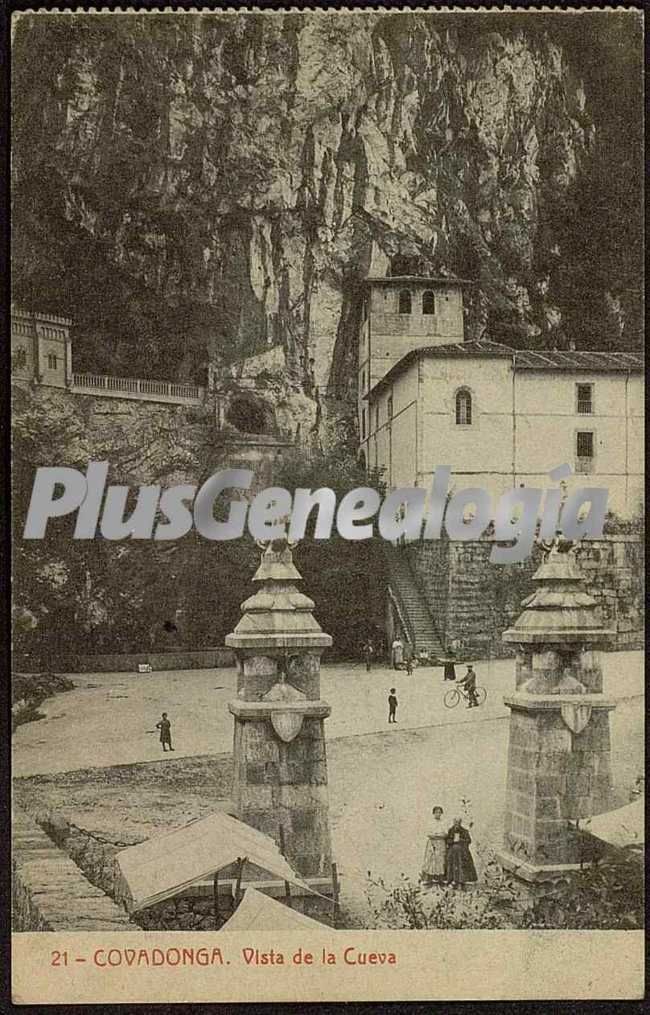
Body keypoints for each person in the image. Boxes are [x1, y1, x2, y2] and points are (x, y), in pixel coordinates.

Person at [445, 817, 478, 889]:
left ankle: (461, 881)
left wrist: (461, 840)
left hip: (462, 852)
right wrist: (452, 841)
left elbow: (469, 840)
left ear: (460, 823)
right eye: (455, 822)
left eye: (458, 822)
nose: (456, 824)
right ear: (453, 822)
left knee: (461, 864)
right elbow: (447, 840)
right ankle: (451, 880)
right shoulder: (451, 830)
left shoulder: (464, 831)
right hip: (452, 852)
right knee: (451, 864)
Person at [421, 805, 447, 886]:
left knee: (440, 860)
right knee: (431, 860)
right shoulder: (430, 822)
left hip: (441, 843)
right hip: (432, 843)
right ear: (433, 813)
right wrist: (435, 836)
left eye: (439, 812)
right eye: (436, 812)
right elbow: (428, 833)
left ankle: (440, 879)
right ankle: (430, 878)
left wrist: (439, 836)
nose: (438, 814)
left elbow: (445, 833)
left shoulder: (443, 822)